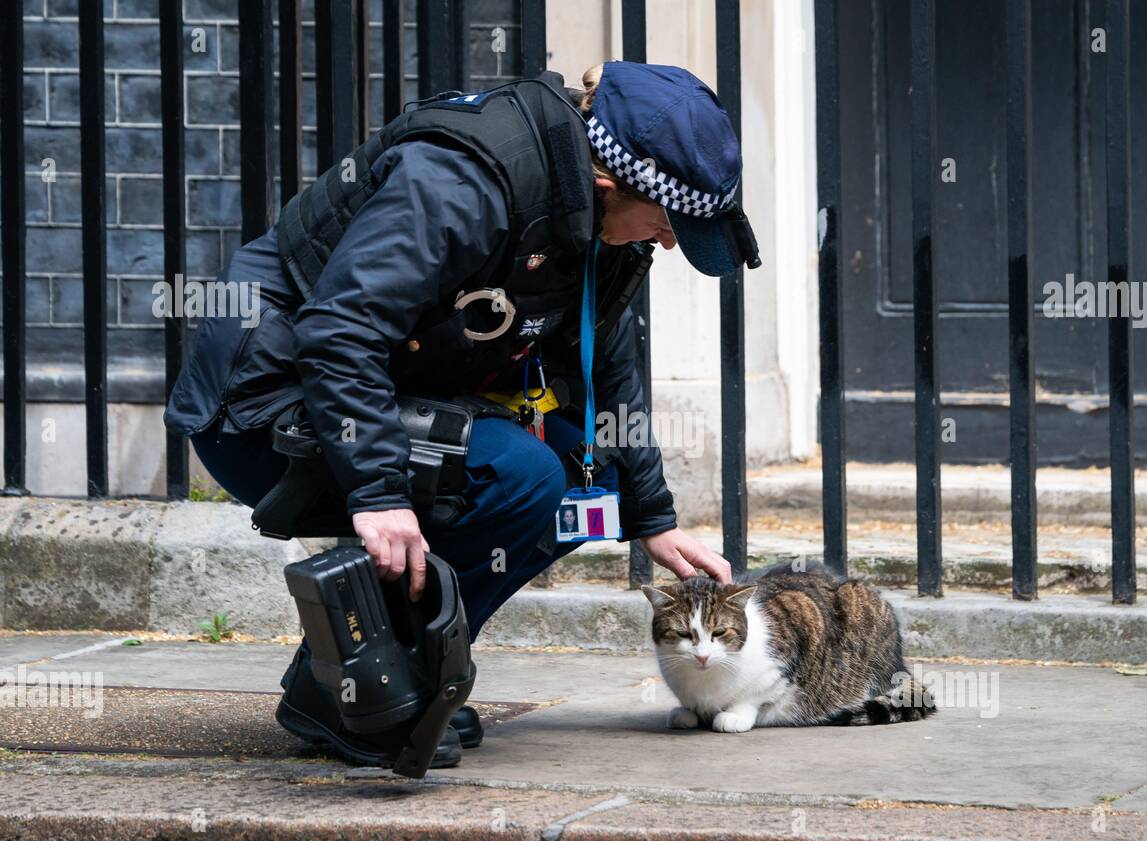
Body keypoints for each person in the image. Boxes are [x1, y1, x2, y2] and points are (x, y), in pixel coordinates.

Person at [163, 61, 760, 767]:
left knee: (585, 483)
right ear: (609, 184)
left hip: (386, 392)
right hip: (270, 406)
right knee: (526, 476)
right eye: (665, 224)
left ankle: (401, 674)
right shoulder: (461, 179)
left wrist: (651, 512)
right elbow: (340, 333)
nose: (666, 243)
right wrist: (378, 492)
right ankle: (350, 689)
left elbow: (608, 363)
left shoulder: (592, 215)